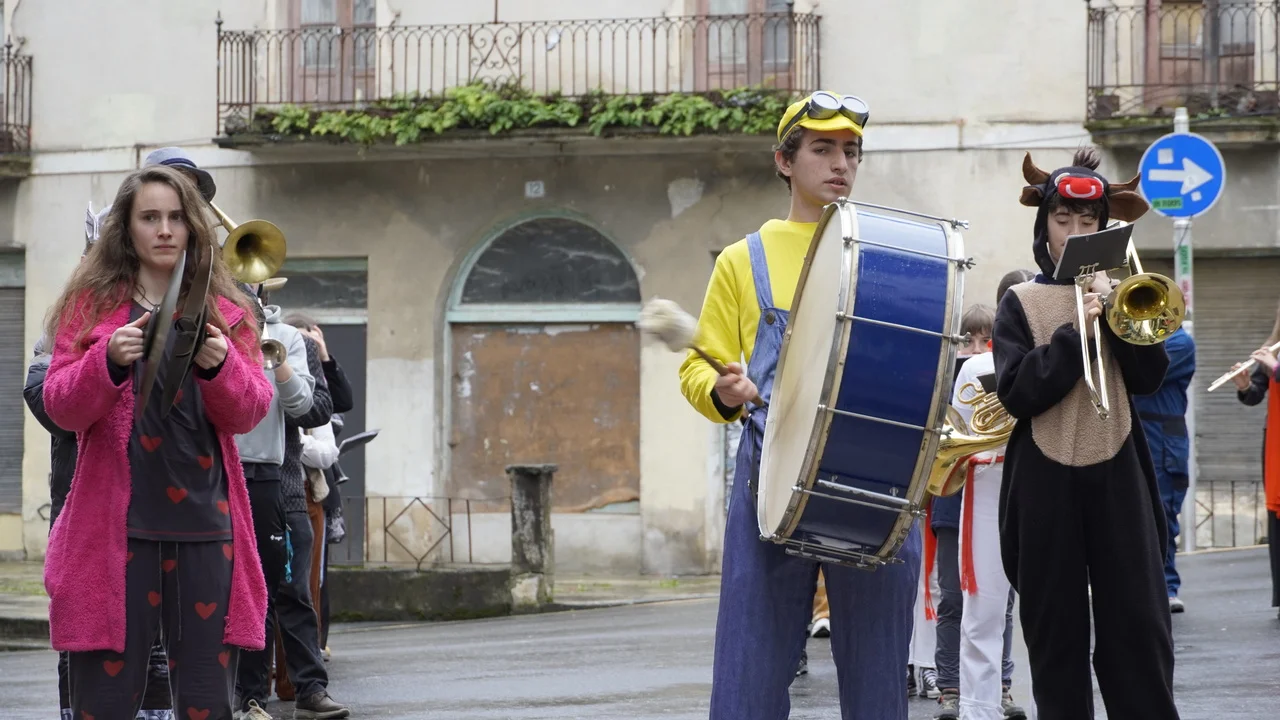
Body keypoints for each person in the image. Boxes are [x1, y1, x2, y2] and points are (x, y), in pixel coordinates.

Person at [679, 90, 921, 719]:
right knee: (750, 670)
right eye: (822, 149)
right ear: (784, 161)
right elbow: (696, 366)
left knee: (878, 677)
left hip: (873, 475)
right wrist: (722, 392)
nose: (841, 163)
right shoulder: (744, 260)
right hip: (771, 475)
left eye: (851, 151)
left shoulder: (887, 257)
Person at [40, 165, 273, 719]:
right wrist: (105, 361)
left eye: (175, 217)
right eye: (149, 217)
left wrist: (222, 369)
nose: (164, 230)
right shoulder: (90, 306)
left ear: (193, 226)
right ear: (127, 227)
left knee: (206, 702)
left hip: (208, 527)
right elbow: (59, 405)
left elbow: (251, 411)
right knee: (103, 704)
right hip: (115, 528)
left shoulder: (229, 309)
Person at [992, 148, 1179, 719]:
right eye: (1062, 220)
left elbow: (1149, 378)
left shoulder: (1122, 291)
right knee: (1055, 633)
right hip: (1043, 479)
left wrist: (1117, 310)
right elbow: (1018, 393)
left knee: (1139, 625)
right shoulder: (1019, 301)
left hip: (1118, 469)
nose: (1074, 233)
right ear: (1043, 225)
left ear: (1103, 227)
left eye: (1088, 222)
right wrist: (1076, 333)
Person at [952, 275, 1034, 720]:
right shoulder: (975, 368)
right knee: (983, 605)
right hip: (989, 480)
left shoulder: (1055, 357)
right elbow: (961, 431)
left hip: (1039, 481)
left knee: (1047, 603)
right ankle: (979, 709)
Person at [1132, 325, 1196, 613]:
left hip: (1164, 439)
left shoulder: (1181, 342)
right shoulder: (1134, 335)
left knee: (1163, 512)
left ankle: (1166, 587)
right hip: (1135, 432)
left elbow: (1143, 373)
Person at [1227, 301, 1280, 620]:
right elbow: (1257, 394)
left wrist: (1276, 368)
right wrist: (1246, 385)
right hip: (1275, 444)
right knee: (1277, 518)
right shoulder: (1274, 348)